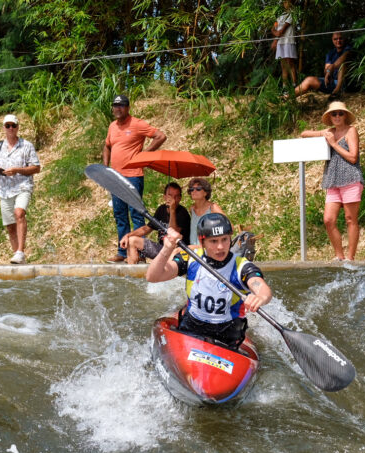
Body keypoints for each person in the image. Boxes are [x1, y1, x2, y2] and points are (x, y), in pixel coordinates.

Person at [146, 213, 272, 349]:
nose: (220, 247)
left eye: (225, 239)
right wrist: (167, 248)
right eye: (213, 241)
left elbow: (261, 287)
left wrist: (260, 297)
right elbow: (153, 277)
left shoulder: (241, 266)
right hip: (191, 329)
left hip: (227, 336)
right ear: (202, 242)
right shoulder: (191, 258)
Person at [102, 94, 167, 262]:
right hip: (115, 177)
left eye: (121, 105)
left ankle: (140, 252)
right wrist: (105, 168)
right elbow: (107, 146)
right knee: (119, 214)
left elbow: (160, 136)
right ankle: (122, 252)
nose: (118, 108)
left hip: (133, 176)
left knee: (136, 214)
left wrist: (145, 154)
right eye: (115, 106)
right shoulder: (112, 126)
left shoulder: (137, 124)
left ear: (128, 108)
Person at [300, 101, 363, 260]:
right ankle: (339, 256)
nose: (337, 116)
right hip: (333, 180)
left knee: (350, 219)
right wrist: (323, 134)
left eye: (340, 113)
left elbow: (353, 157)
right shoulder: (329, 131)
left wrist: (333, 143)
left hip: (351, 178)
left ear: (345, 115)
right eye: (333, 114)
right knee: (328, 220)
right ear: (329, 116)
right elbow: (304, 133)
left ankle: (350, 257)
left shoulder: (351, 131)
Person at [0, 114, 41, 264]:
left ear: (18, 127)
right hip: (5, 189)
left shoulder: (27, 146)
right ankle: (16, 256)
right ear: (4, 128)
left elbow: (36, 168)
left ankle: (20, 252)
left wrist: (18, 170)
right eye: (7, 126)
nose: (10, 128)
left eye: (13, 125)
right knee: (10, 225)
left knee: (19, 213)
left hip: (22, 186)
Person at [120, 182, 191, 264]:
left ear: (180, 198)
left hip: (176, 252)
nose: (173, 199)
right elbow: (146, 228)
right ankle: (132, 273)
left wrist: (172, 210)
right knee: (132, 240)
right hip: (161, 249)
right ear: (164, 197)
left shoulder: (183, 213)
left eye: (176, 196)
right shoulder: (161, 209)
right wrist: (128, 235)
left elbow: (173, 234)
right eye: (170, 195)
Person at [294, 32, 351, 98]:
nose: (338, 41)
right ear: (332, 40)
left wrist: (332, 67)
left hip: (346, 83)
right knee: (309, 80)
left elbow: (343, 58)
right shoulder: (331, 53)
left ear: (344, 39)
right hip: (332, 82)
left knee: (343, 65)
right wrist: (328, 72)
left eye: (340, 38)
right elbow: (326, 69)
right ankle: (288, 96)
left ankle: (337, 92)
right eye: (335, 39)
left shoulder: (348, 49)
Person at [186, 177, 228, 246]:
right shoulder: (191, 209)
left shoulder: (213, 208)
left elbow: (229, 227)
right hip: (193, 249)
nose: (194, 191)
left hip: (208, 250)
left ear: (205, 193)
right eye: (191, 189)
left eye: (198, 189)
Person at [272, 0, 297, 89]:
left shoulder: (292, 13)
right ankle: (285, 87)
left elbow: (283, 29)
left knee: (290, 63)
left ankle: (294, 86)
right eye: (284, 2)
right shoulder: (280, 15)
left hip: (288, 41)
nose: (286, 4)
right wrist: (275, 34)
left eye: (287, 2)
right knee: (283, 65)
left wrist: (275, 40)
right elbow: (274, 28)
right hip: (280, 42)